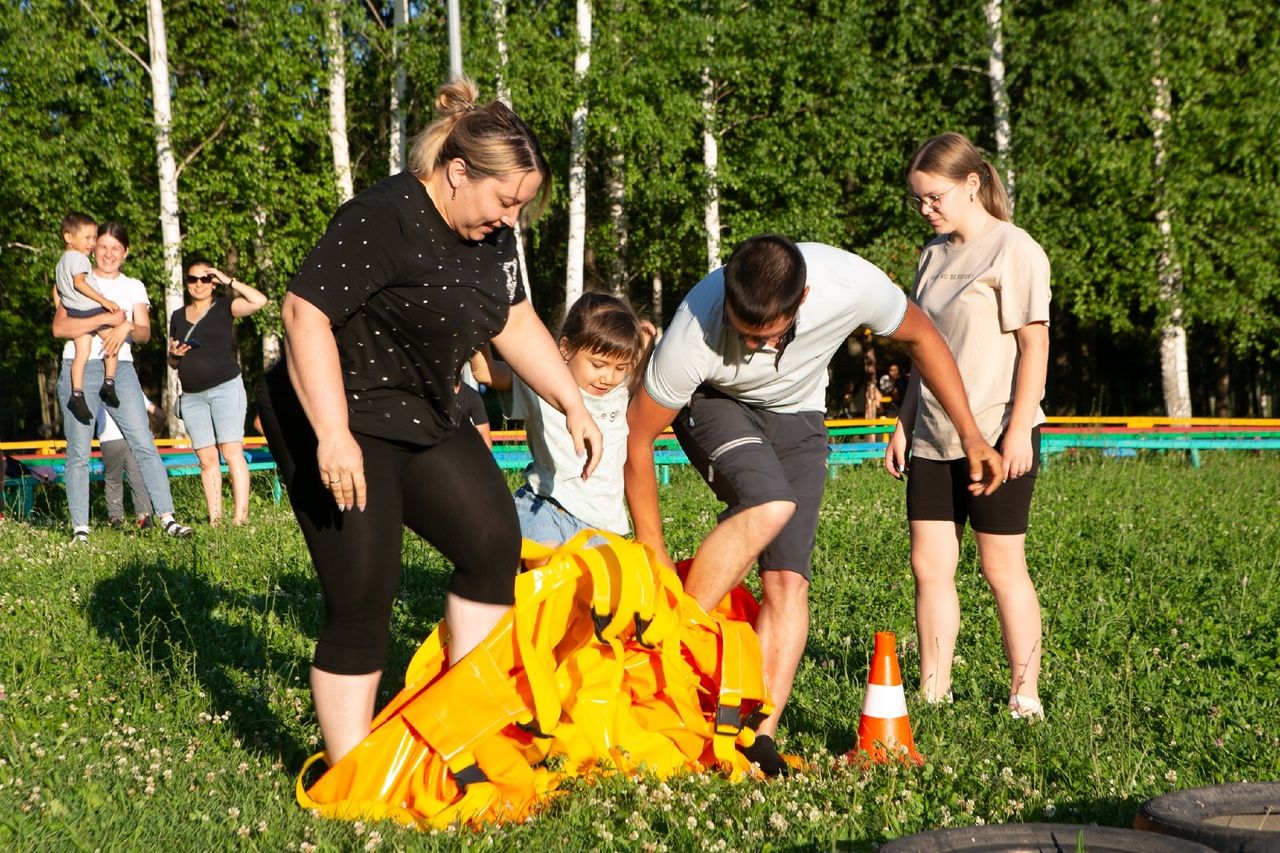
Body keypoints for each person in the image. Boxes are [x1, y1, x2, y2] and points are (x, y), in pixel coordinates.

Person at [256, 76, 601, 766]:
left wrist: (572, 400)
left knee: (491, 538)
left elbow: (513, 317)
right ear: (456, 172)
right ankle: (351, 773)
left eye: (521, 208)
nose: (510, 219)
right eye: (505, 201)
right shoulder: (384, 216)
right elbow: (303, 314)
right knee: (364, 590)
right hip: (333, 411)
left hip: (418, 407)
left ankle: (466, 720)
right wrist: (331, 435)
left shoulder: (493, 238)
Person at [625, 234, 1004, 775]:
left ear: (801, 301)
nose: (751, 347)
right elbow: (637, 439)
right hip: (714, 403)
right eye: (741, 332)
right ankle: (652, 651)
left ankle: (757, 737)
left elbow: (924, 339)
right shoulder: (694, 327)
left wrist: (970, 434)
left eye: (766, 336)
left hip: (797, 415)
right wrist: (653, 548)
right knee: (769, 501)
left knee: (788, 582)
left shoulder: (851, 283)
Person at [887, 132, 1051, 720]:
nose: (926, 209)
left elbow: (1036, 345)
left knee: (1000, 565)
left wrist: (1016, 430)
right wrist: (904, 423)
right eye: (919, 201)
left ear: (972, 184)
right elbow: (919, 348)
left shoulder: (1014, 248)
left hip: (996, 431)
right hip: (932, 436)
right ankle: (934, 691)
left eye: (934, 197)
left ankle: (1024, 694)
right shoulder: (931, 257)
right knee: (928, 566)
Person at [470, 292, 651, 545]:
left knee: (600, 581)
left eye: (620, 368)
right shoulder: (542, 385)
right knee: (543, 564)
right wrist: (476, 330)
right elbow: (486, 374)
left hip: (603, 526)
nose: (608, 377)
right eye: (598, 365)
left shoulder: (620, 393)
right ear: (565, 349)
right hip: (545, 506)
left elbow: (636, 357)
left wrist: (644, 336)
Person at [52, 221, 194, 542]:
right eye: (102, 246)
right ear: (92, 247)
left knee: (143, 442)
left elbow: (143, 332)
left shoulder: (133, 286)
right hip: (79, 367)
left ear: (125, 253)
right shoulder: (77, 280)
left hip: (122, 371)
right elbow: (59, 329)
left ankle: (167, 517)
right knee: (78, 452)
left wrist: (125, 327)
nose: (108, 254)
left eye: (116, 248)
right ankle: (80, 529)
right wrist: (104, 319)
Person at [168, 261, 267, 526]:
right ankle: (216, 520)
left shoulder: (224, 307)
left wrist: (229, 281)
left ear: (213, 282)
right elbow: (173, 361)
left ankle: (240, 519)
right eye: (192, 279)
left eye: (205, 278)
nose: (198, 284)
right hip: (191, 396)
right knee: (207, 458)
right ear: (186, 282)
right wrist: (173, 356)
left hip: (225, 388)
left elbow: (259, 301)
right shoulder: (177, 316)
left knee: (231, 450)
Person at [56, 212, 121, 423]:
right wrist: (104, 301)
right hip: (90, 309)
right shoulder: (79, 258)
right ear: (69, 238)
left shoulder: (61, 262)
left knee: (81, 354)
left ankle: (77, 393)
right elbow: (80, 283)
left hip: (74, 312)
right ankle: (109, 382)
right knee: (112, 341)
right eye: (88, 238)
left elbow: (59, 291)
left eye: (94, 238)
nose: (92, 243)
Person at [95, 397, 161, 529]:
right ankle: (144, 515)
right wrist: (156, 429)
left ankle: (115, 518)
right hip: (132, 437)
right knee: (138, 478)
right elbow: (157, 413)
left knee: (113, 480)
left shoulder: (96, 388)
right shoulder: (129, 385)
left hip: (108, 439)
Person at [458, 382, 493, 448]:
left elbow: (484, 436)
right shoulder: (434, 393)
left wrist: (485, 457)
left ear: (462, 370)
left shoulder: (471, 395)